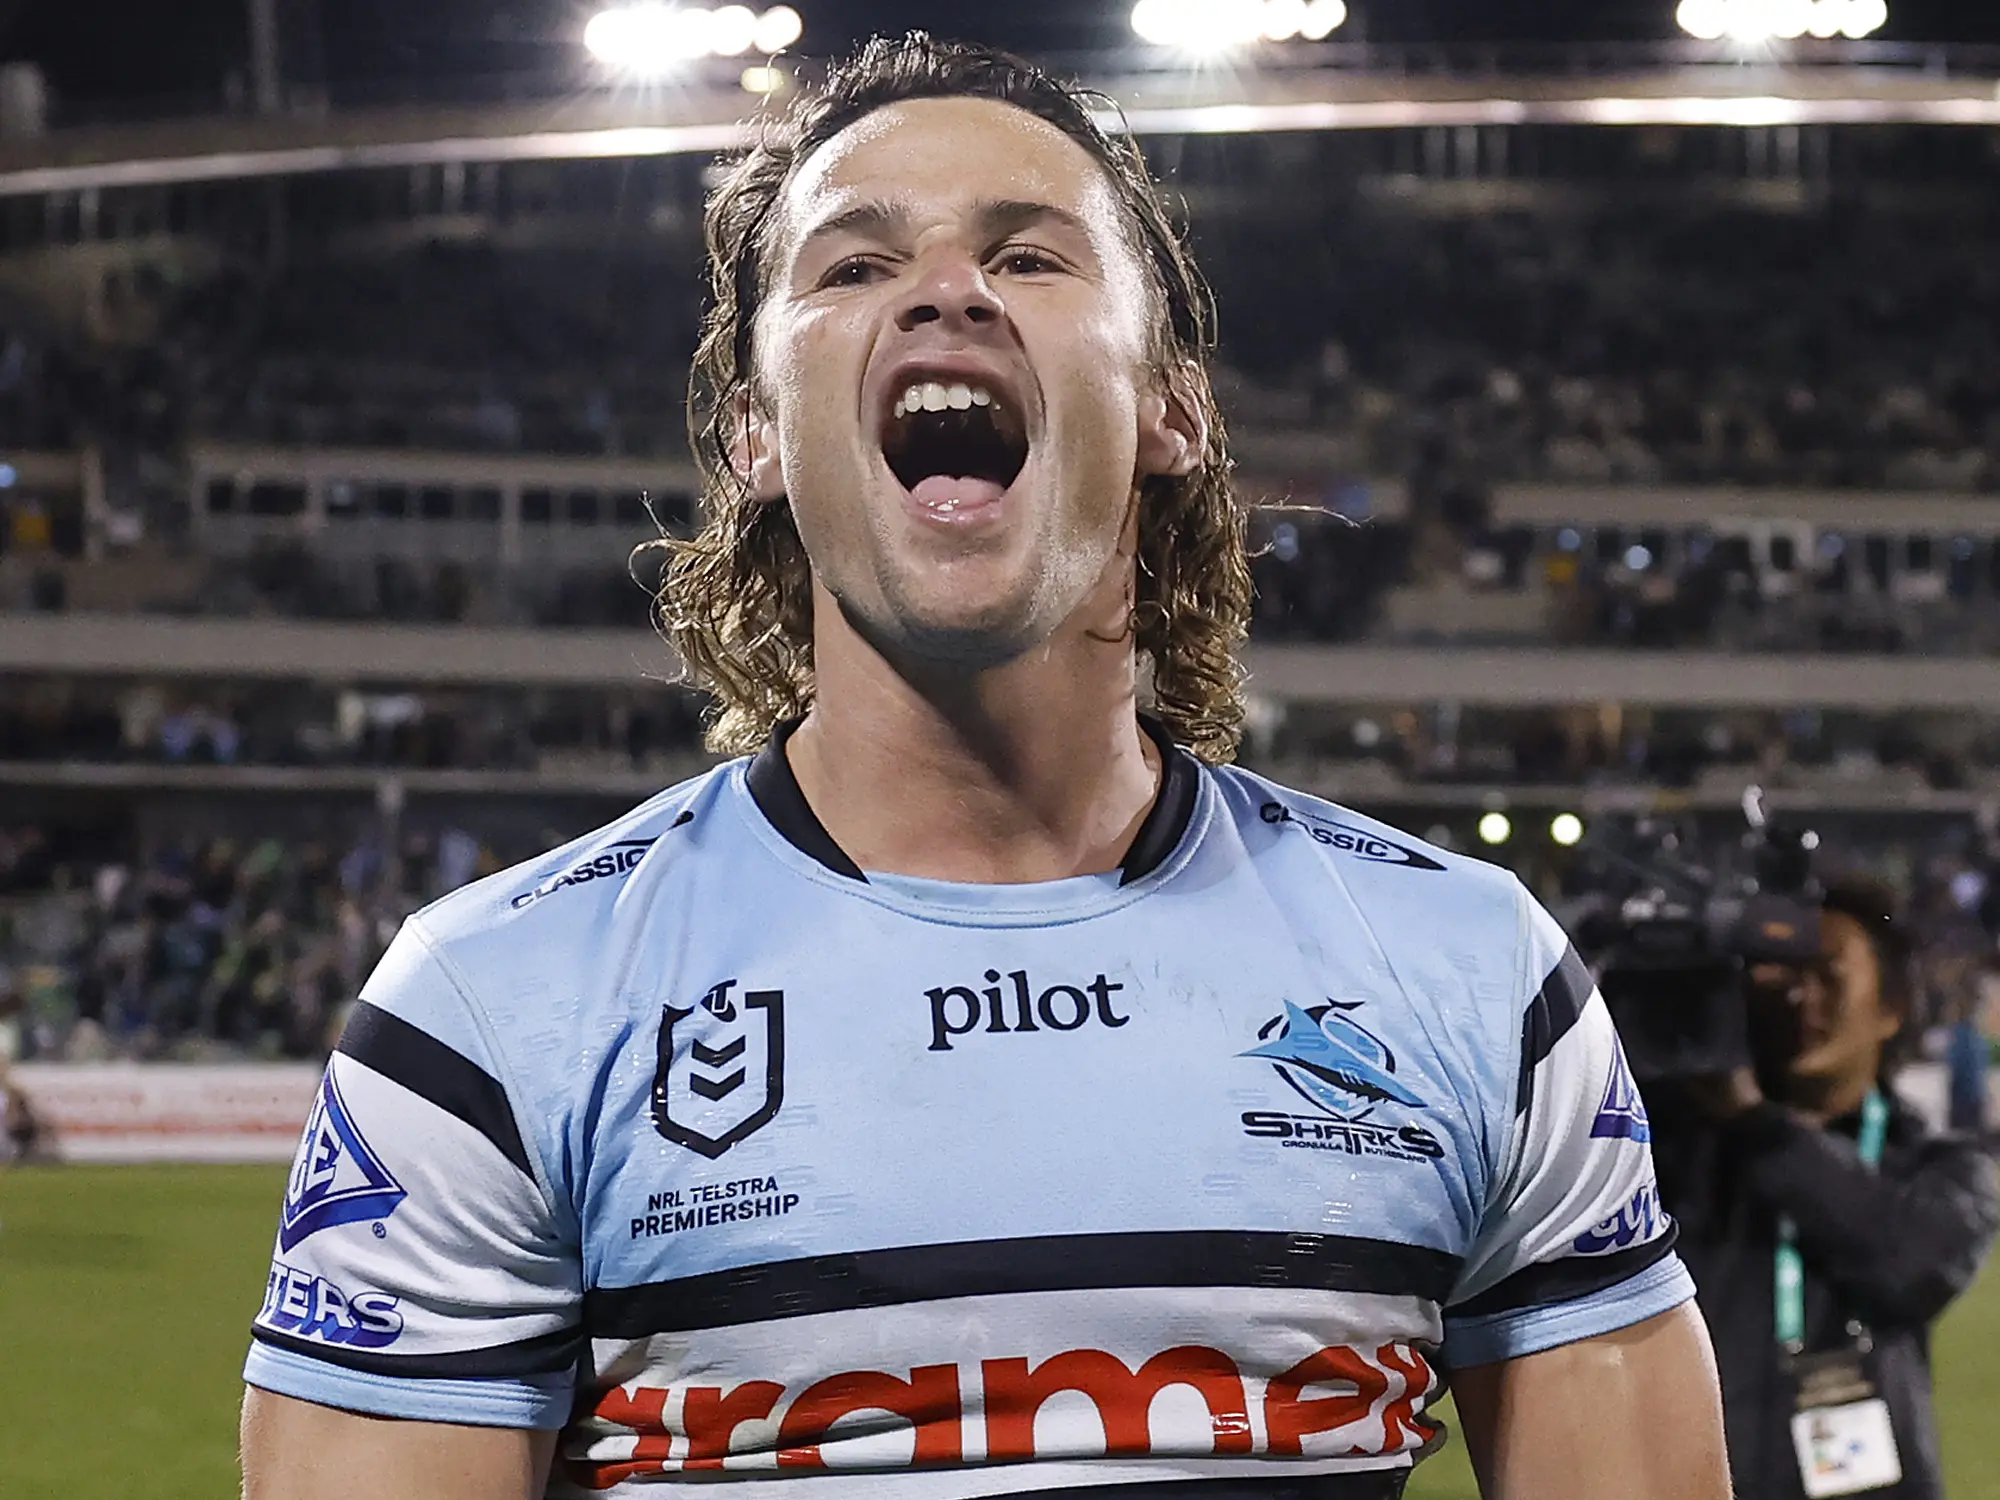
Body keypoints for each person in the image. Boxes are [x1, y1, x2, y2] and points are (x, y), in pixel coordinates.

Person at [239, 35, 1729, 1500]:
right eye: (852, 266)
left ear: (1173, 409)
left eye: (1027, 258)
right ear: (753, 433)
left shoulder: (1472, 979)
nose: (945, 289)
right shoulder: (498, 1010)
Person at [1650, 875, 1999, 1500]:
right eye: (1782, 978)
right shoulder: (1677, 1146)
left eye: (1828, 976)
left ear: (1892, 1007)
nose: (1800, 998)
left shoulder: (1941, 1163)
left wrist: (1753, 1119)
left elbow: (1910, 1266)